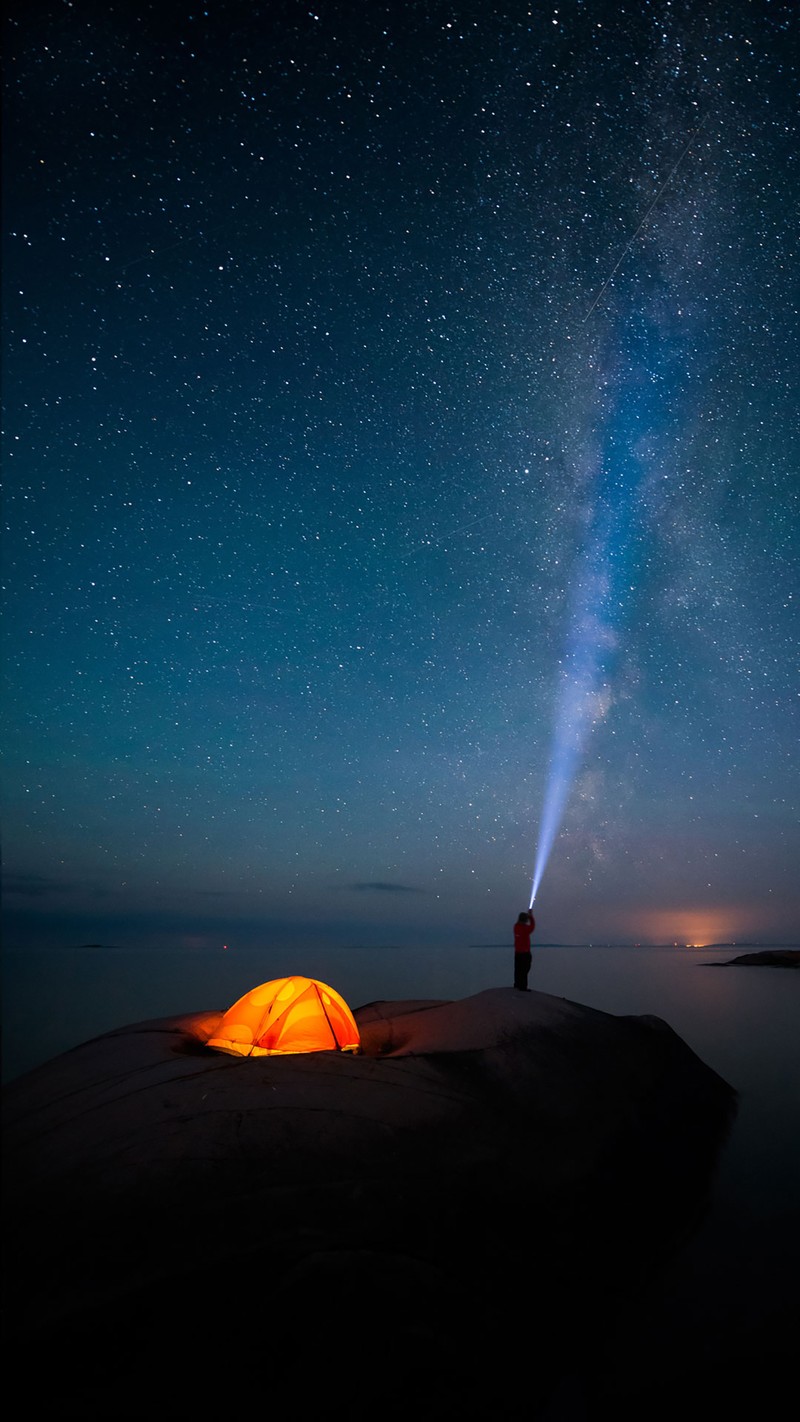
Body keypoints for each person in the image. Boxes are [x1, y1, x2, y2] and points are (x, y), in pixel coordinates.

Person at [513, 910, 535, 990]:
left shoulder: (516, 926)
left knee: (518, 969)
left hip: (517, 953)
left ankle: (517, 985)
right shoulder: (525, 928)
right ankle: (523, 987)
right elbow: (532, 927)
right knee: (525, 970)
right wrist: (531, 917)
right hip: (525, 954)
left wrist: (528, 916)